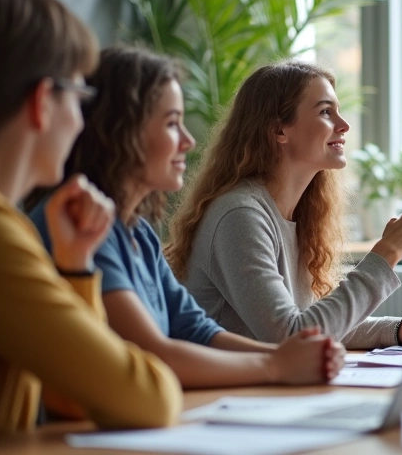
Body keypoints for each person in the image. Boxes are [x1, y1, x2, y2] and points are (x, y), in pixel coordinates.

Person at [0, 0, 180, 443]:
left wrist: (74, 265)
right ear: (42, 102)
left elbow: (69, 399)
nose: (82, 120)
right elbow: (148, 397)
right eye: (80, 97)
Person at [28, 46, 344, 391]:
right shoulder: (81, 229)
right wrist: (277, 364)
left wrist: (286, 360)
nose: (188, 141)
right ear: (122, 131)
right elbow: (155, 355)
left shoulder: (139, 234)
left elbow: (196, 331)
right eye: (171, 123)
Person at [166, 61, 402, 348]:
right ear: (280, 130)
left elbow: (318, 323)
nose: (344, 125)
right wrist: (386, 254)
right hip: (230, 391)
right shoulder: (239, 216)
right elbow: (293, 336)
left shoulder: (299, 214)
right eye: (326, 112)